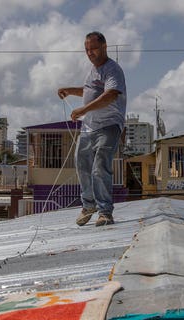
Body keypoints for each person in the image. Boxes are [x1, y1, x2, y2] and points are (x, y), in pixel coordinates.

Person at [57, 31, 127, 227]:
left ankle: (105, 212)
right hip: (89, 127)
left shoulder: (113, 69)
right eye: (87, 50)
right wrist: (70, 91)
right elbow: (89, 91)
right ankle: (88, 205)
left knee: (99, 167)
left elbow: (111, 94)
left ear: (104, 47)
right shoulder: (92, 71)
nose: (90, 53)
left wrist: (84, 109)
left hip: (109, 125)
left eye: (94, 49)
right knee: (82, 165)